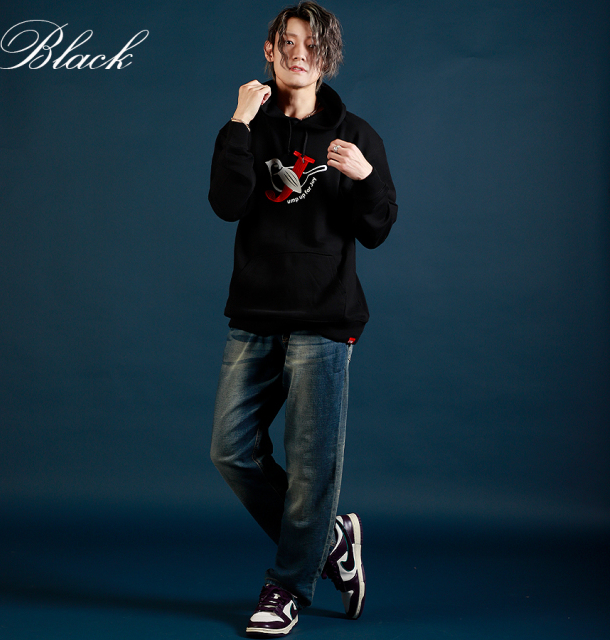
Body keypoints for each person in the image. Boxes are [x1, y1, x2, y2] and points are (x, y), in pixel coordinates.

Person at [208, 2, 397, 636]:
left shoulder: (356, 134)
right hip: (254, 314)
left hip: (324, 318)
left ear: (326, 57)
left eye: (311, 45)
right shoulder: (247, 127)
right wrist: (238, 121)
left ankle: (288, 586)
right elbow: (226, 203)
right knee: (231, 450)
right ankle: (330, 541)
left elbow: (378, 228)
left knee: (312, 466)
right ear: (270, 51)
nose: (298, 54)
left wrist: (365, 178)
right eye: (287, 42)